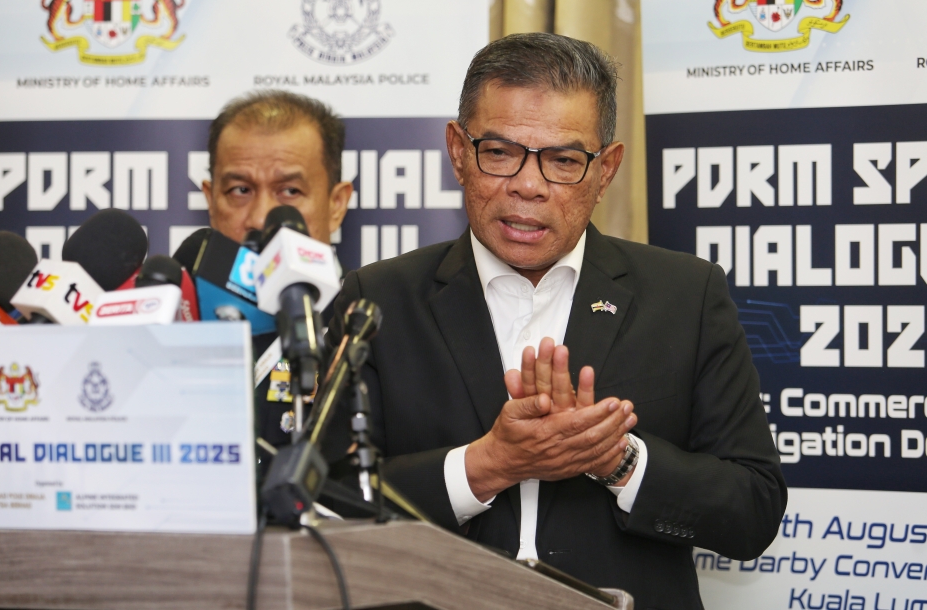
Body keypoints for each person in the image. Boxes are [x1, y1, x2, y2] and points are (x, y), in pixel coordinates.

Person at [323, 33, 786, 609]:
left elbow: (753, 510)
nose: (528, 184)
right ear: (458, 151)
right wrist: (484, 467)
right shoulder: (377, 298)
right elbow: (324, 499)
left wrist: (616, 460)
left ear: (606, 169)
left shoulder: (686, 295)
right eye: (499, 152)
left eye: (564, 160)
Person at [202, 89, 352, 444]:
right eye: (240, 190)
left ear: (336, 205)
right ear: (210, 201)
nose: (258, 219)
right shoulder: (176, 318)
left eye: (289, 192)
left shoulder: (364, 327)